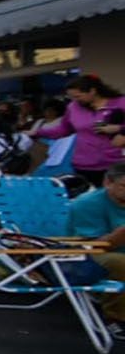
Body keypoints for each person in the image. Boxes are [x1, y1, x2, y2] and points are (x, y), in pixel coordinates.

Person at [34, 75, 125, 188]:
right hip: (84, 165)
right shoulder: (73, 107)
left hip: (116, 164)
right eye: (72, 97)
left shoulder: (120, 103)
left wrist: (119, 129)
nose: (75, 100)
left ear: (92, 91)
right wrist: (38, 132)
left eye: (78, 96)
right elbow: (63, 130)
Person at [67, 163, 125, 338]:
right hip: (83, 258)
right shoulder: (87, 204)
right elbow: (89, 247)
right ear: (108, 182)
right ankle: (115, 317)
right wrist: (120, 234)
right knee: (121, 262)